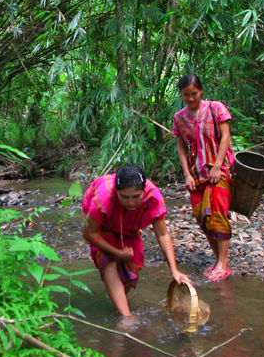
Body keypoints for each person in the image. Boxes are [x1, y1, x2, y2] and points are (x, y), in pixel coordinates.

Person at [81, 166, 192, 318]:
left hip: (129, 228)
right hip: (102, 226)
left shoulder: (153, 197)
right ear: (116, 191)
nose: (131, 202)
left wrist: (174, 270)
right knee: (109, 261)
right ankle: (126, 317)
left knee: (132, 267)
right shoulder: (103, 197)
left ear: (144, 190)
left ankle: (117, 302)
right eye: (124, 197)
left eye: (136, 196)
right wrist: (118, 252)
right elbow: (89, 233)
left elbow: (163, 234)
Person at [171, 74, 236, 282]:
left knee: (217, 213)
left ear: (201, 91)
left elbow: (225, 136)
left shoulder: (215, 108)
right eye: (186, 95)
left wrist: (217, 166)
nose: (191, 98)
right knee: (202, 218)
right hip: (197, 174)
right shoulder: (179, 118)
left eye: (194, 94)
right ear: (181, 95)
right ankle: (217, 260)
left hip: (219, 170)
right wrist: (186, 174)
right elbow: (181, 147)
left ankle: (224, 263)